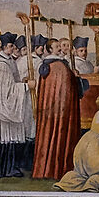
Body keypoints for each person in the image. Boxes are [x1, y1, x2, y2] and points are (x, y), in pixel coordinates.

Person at [0, 34, 34, 179]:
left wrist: (23, 81)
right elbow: (6, 90)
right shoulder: (0, 64)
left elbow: (13, 82)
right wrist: (26, 86)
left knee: (10, 138)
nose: (13, 49)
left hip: (7, 106)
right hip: (1, 108)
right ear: (3, 47)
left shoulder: (9, 60)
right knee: (3, 138)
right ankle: (2, 170)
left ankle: (10, 168)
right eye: (10, 46)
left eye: (13, 46)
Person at [33, 37, 83, 181]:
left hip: (52, 111)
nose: (60, 49)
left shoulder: (52, 65)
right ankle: (57, 169)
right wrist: (75, 78)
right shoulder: (58, 66)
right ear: (50, 50)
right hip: (60, 110)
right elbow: (68, 90)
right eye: (57, 47)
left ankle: (47, 168)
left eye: (60, 46)